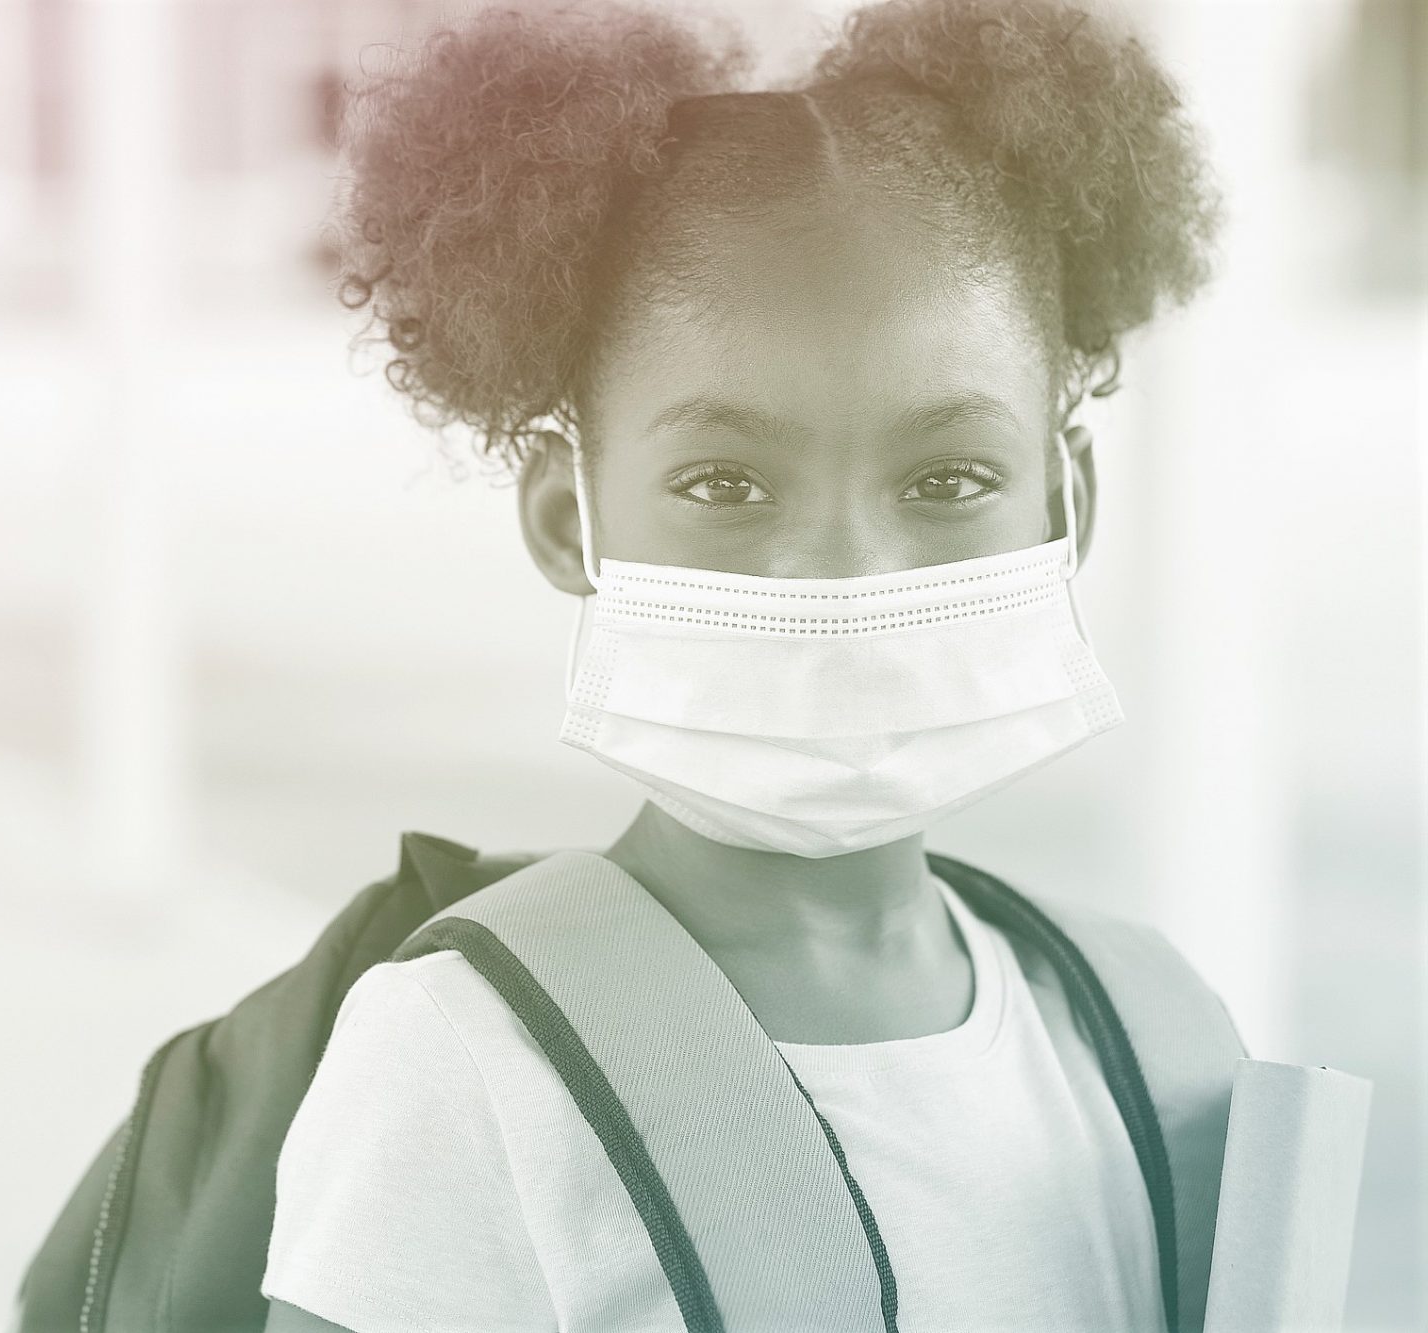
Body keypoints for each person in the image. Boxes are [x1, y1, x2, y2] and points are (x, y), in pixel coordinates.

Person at [258, 0, 1236, 1329]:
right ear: (567, 518)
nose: (840, 573)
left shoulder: (1148, 1037)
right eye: (727, 482)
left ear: (1067, 501)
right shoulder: (459, 1063)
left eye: (948, 476)